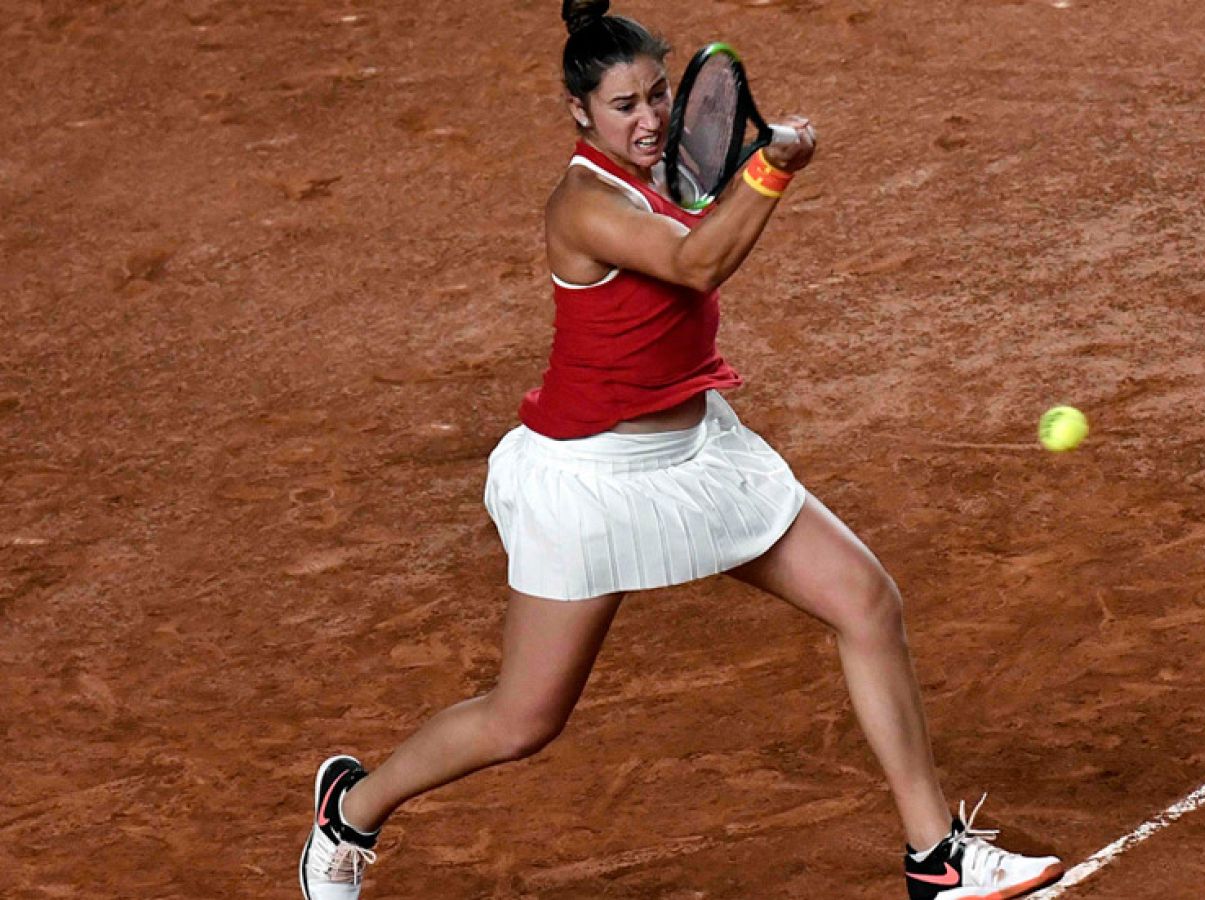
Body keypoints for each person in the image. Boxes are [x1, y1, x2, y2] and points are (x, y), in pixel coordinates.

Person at [297, 2, 1065, 898]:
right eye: (624, 106)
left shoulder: (663, 172)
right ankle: (350, 811)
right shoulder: (583, 202)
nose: (650, 119)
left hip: (699, 459)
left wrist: (751, 175)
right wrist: (773, 171)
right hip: (592, 479)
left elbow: (701, 220)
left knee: (866, 602)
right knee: (523, 720)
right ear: (579, 113)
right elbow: (700, 263)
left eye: (659, 96)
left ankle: (936, 860)